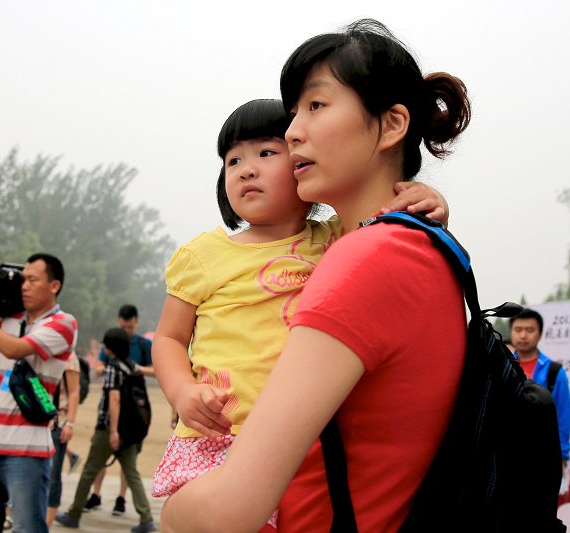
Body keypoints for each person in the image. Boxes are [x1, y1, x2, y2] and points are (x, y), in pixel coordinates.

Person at [160, 18, 471, 532]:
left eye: (317, 106)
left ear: (392, 126)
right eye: (294, 113)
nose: (293, 132)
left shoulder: (365, 257)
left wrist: (171, 513)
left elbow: (228, 513)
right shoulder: (420, 246)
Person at [0, 253, 77, 533]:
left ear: (54, 285)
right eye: (23, 279)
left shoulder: (63, 323)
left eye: (33, 279)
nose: (24, 285)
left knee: (27, 527)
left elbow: (14, 349)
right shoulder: (6, 321)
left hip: (27, 451)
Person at [55, 328, 157, 532]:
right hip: (130, 431)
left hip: (109, 431)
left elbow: (114, 399)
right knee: (132, 473)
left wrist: (113, 432)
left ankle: (73, 514)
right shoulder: (132, 367)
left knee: (88, 472)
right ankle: (146, 518)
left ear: (110, 348)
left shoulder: (112, 368)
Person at [87, 304, 155, 515]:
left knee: (130, 456)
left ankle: (121, 498)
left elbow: (156, 370)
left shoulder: (143, 344)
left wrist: (136, 370)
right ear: (119, 322)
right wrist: (114, 369)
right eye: (124, 326)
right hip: (111, 401)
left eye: (131, 327)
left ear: (136, 322)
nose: (127, 331)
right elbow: (97, 368)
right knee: (101, 451)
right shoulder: (113, 340)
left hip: (135, 404)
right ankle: (96, 494)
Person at [510, 308, 570, 464]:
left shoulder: (554, 372)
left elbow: (563, 415)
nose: (523, 335)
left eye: (529, 330)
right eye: (518, 330)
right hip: (508, 453)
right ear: (511, 333)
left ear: (540, 334)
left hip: (544, 454)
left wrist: (562, 456)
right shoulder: (501, 368)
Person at [46, 350, 81, 526]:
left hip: (57, 423)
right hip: (36, 422)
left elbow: (74, 392)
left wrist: (70, 423)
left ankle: (47, 523)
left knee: (53, 476)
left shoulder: (68, 356)